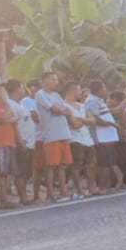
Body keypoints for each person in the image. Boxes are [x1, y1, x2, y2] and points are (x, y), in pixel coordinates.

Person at [35, 72, 74, 201]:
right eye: (52, 79)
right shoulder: (40, 94)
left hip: (63, 133)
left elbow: (67, 111)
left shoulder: (57, 95)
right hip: (51, 135)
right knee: (51, 166)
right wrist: (62, 111)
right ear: (44, 80)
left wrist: (62, 111)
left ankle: (64, 191)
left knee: (63, 165)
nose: (56, 82)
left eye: (56, 79)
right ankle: (50, 193)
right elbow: (54, 109)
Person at [7, 79, 39, 205]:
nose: (23, 90)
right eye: (21, 87)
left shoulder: (20, 104)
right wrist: (20, 142)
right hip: (21, 143)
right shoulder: (10, 104)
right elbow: (13, 125)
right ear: (16, 89)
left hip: (30, 142)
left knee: (26, 172)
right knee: (20, 171)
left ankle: (24, 195)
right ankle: (23, 197)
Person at [87, 81, 123, 193]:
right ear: (98, 90)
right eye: (104, 88)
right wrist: (112, 124)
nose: (106, 91)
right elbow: (96, 120)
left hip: (108, 137)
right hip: (102, 138)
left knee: (109, 163)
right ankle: (103, 186)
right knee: (104, 164)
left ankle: (109, 185)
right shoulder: (92, 102)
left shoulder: (99, 101)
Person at [63, 81, 95, 198]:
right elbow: (74, 124)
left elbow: (93, 120)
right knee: (77, 166)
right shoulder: (64, 106)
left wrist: (81, 119)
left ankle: (92, 188)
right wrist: (85, 120)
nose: (80, 92)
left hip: (87, 139)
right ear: (72, 91)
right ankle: (79, 190)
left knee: (91, 164)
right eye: (78, 90)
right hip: (74, 139)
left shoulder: (82, 106)